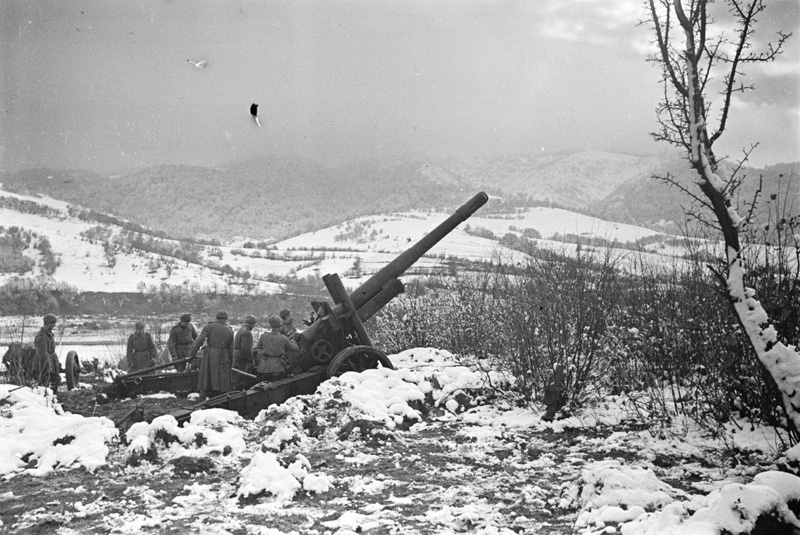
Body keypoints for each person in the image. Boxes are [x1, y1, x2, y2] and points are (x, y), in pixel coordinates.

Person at [189, 310, 234, 400]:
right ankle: (219, 397)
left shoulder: (209, 326)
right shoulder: (230, 330)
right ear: (226, 319)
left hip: (211, 354)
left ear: (216, 318)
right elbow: (231, 349)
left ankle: (203, 395)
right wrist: (231, 361)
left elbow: (198, 341)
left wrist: (192, 355)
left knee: (207, 374)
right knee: (221, 376)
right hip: (224, 355)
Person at [255, 315, 298, 382]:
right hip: (277, 368)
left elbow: (259, 347)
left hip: (262, 367)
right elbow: (294, 348)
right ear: (280, 325)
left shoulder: (263, 336)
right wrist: (293, 341)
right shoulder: (283, 338)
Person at [33, 313, 61, 389]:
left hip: (50, 364)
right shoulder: (41, 337)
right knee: (44, 386)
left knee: (56, 382)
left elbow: (51, 352)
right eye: (52, 323)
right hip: (42, 366)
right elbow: (42, 354)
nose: (54, 325)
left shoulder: (49, 334)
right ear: (47, 323)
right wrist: (48, 367)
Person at [232, 315, 257, 390]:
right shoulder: (247, 332)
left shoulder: (241, 329)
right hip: (241, 359)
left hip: (236, 357)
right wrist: (251, 360)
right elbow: (246, 349)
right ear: (251, 323)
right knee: (240, 379)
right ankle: (236, 396)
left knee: (236, 378)